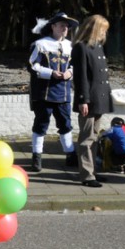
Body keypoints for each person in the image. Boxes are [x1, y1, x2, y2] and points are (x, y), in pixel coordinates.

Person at [28, 11, 78, 172]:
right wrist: (50, 73)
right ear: (53, 26)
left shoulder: (71, 46)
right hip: (44, 93)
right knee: (41, 125)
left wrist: (70, 72)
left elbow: (75, 65)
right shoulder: (41, 44)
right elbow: (31, 66)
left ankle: (70, 155)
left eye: (67, 26)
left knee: (66, 124)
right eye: (62, 25)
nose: (65, 28)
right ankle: (37, 157)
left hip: (63, 93)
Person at [71, 15, 114, 188]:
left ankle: (92, 172)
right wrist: (83, 100)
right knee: (86, 138)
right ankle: (86, 175)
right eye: (103, 29)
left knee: (94, 137)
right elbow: (81, 77)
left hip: (98, 97)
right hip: (89, 98)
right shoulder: (82, 47)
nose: (105, 32)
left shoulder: (97, 47)